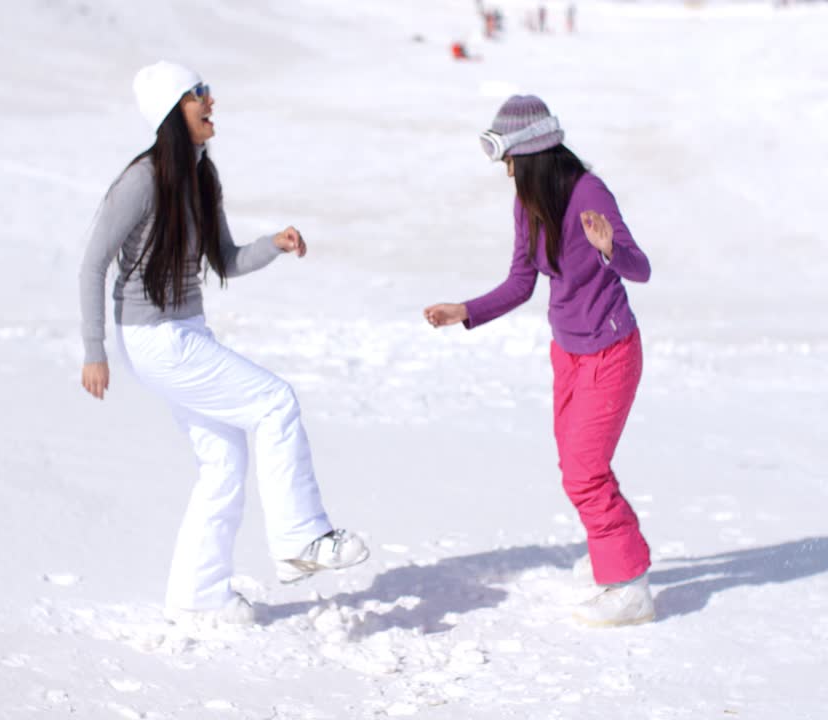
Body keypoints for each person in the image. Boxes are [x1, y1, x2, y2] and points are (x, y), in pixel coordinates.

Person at [78, 61, 369, 626]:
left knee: (223, 463)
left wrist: (275, 244)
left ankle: (199, 596)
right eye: (198, 94)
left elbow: (226, 260)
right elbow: (91, 265)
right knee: (274, 402)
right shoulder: (142, 180)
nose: (211, 101)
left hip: (184, 333)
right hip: (154, 338)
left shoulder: (200, 176)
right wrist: (95, 351)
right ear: (171, 111)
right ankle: (302, 538)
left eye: (207, 91)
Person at [423, 95, 654, 627]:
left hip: (612, 351)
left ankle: (629, 583)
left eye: (508, 161)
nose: (506, 173)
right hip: (568, 353)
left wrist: (608, 248)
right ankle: (610, 557)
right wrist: (466, 311)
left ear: (532, 156)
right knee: (575, 467)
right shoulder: (531, 201)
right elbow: (521, 283)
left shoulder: (591, 194)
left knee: (585, 472)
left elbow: (640, 268)